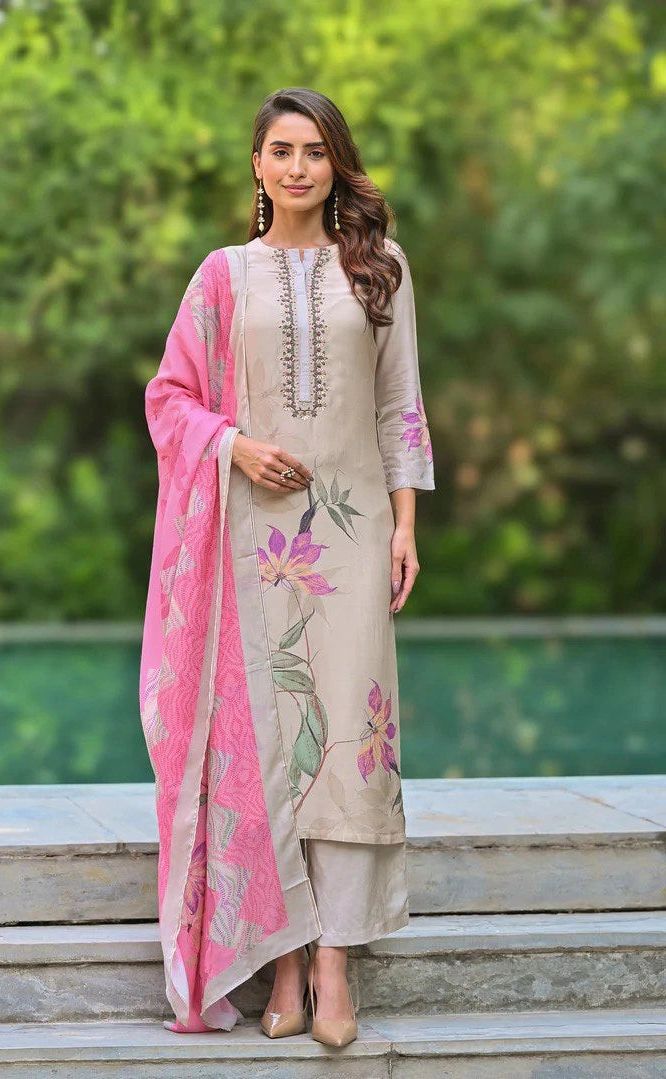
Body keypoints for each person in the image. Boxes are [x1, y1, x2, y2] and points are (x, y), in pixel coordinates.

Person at [139, 86, 435, 1048]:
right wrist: (233, 446)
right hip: (250, 545)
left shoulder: (380, 268)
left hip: (352, 535)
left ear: (335, 162)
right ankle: (283, 959)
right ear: (258, 165)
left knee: (347, 741)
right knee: (269, 745)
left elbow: (400, 405)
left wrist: (404, 527)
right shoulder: (223, 276)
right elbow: (169, 396)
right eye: (281, 150)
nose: (298, 167)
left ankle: (335, 961)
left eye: (315, 150)